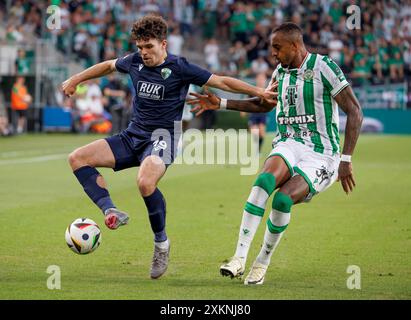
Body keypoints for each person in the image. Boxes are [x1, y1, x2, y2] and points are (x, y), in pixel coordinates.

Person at [62, 15, 275, 280]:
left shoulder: (180, 67)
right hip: (133, 136)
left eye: (149, 46)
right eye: (140, 47)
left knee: (145, 181)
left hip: (164, 137)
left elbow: (221, 81)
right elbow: (107, 66)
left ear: (163, 44)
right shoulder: (134, 62)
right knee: (77, 158)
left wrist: (259, 91)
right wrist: (75, 79)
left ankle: (161, 244)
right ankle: (110, 210)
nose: (144, 53)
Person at [188, 22, 363, 285]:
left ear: (295, 46)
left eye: (277, 48)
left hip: (321, 153)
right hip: (289, 142)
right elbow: (264, 104)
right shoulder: (280, 71)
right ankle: (238, 258)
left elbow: (355, 111)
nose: (273, 54)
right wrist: (221, 103)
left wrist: (346, 159)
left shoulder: (323, 67)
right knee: (263, 181)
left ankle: (262, 262)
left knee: (282, 201)